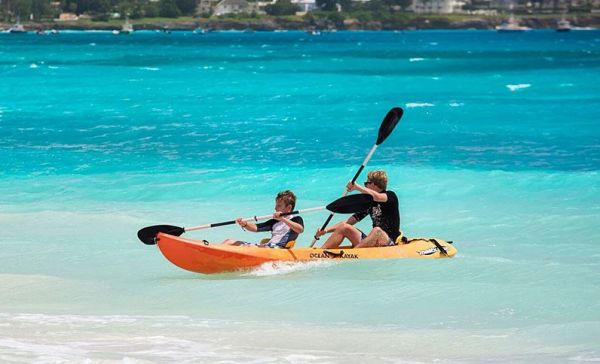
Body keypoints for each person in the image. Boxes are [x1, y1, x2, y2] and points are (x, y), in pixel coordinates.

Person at [315, 170, 400, 249]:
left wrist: (356, 187)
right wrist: (325, 231)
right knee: (344, 227)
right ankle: (319, 253)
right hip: (372, 241)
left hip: (388, 241)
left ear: (373, 184)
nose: (365, 186)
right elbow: (348, 222)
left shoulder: (390, 196)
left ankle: (355, 253)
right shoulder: (368, 203)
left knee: (377, 230)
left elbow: (377, 197)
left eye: (366, 183)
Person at [223, 190, 304, 248]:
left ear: (289, 208)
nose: (275, 208)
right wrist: (245, 224)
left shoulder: (296, 219)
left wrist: (283, 219)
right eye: (276, 205)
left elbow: (300, 230)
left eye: (279, 206)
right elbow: (256, 228)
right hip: (267, 247)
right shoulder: (274, 221)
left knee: (259, 247)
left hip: (279, 249)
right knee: (228, 241)